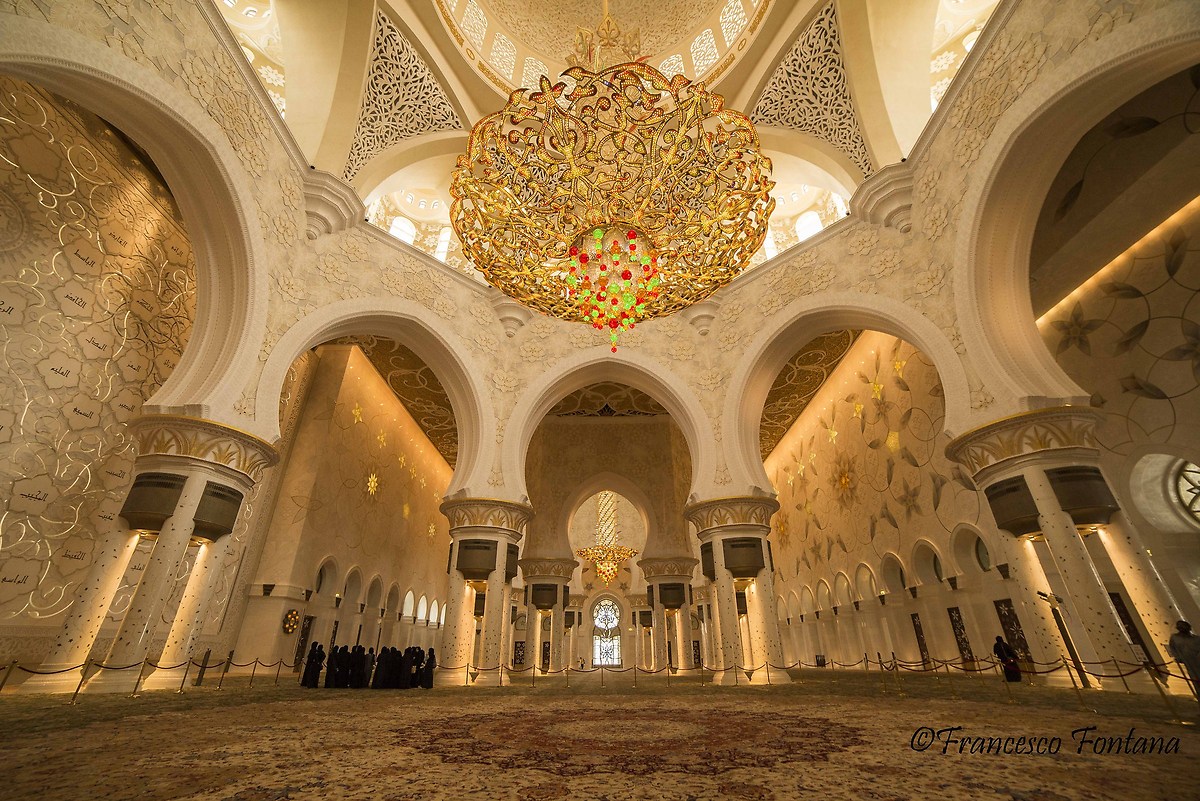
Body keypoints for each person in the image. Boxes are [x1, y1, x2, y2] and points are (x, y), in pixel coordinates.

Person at [1167, 620, 1200, 702]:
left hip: (1196, 662)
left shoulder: (1196, 639)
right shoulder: (1175, 638)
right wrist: (1178, 657)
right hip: (1190, 664)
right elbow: (1173, 648)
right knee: (1197, 684)